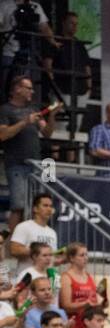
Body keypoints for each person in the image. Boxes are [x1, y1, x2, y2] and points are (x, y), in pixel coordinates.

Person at [0, 74, 59, 222]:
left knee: (36, 206)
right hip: (16, 164)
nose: (32, 92)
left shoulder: (33, 108)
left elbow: (47, 133)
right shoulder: (5, 110)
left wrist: (52, 116)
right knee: (19, 206)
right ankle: (12, 242)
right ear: (17, 89)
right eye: (29, 88)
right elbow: (3, 135)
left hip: (37, 164)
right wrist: (25, 122)